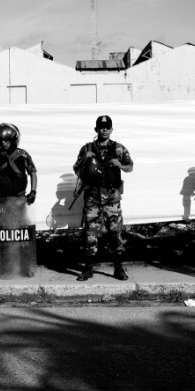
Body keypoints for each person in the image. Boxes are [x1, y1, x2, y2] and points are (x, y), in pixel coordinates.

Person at [72, 115, 134, 281]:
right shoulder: (87, 148)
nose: (104, 130)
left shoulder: (119, 149)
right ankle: (88, 268)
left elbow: (130, 167)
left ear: (111, 129)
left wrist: (119, 164)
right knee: (90, 233)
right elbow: (76, 169)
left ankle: (119, 268)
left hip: (112, 198)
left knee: (115, 233)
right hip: (93, 198)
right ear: (96, 129)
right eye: (101, 127)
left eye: (107, 127)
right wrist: (86, 159)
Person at [0, 123, 37, 205]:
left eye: (6, 140)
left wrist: (33, 192)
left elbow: (32, 172)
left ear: (13, 140)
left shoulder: (22, 155)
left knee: (20, 218)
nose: (3, 143)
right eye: (1, 140)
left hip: (19, 197)